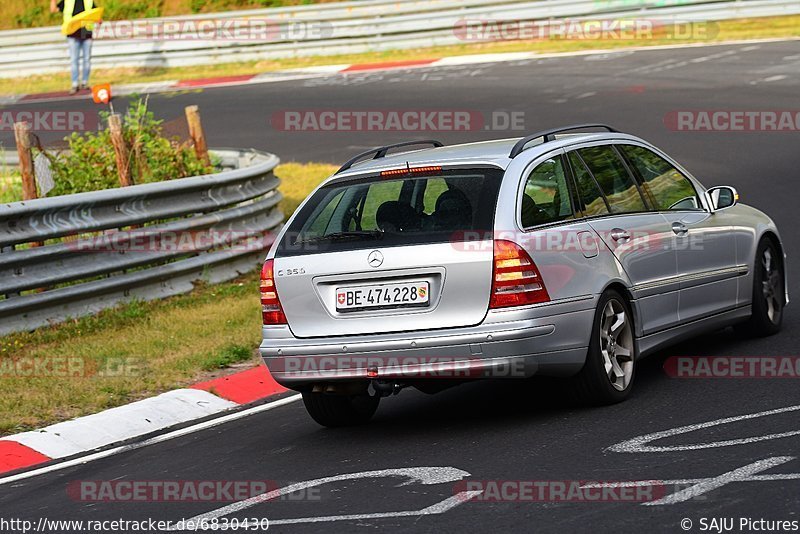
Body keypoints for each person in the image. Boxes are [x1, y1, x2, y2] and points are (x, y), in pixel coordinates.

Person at [50, 0, 98, 95]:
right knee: (74, 60)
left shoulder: (88, 1)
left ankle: (84, 83)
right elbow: (53, 9)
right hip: (72, 33)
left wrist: (98, 19)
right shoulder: (68, 1)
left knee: (87, 59)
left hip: (86, 32)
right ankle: (75, 83)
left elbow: (95, 13)